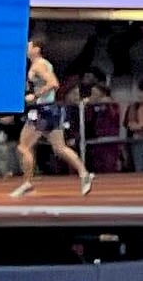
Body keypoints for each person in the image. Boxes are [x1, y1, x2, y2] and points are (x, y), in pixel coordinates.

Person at [10, 36, 90, 196]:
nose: (26, 49)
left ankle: (27, 183)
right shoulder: (43, 64)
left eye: (29, 46)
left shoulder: (39, 65)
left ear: (36, 49)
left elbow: (53, 83)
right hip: (51, 109)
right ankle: (84, 174)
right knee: (59, 147)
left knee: (23, 146)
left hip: (42, 110)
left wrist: (34, 95)